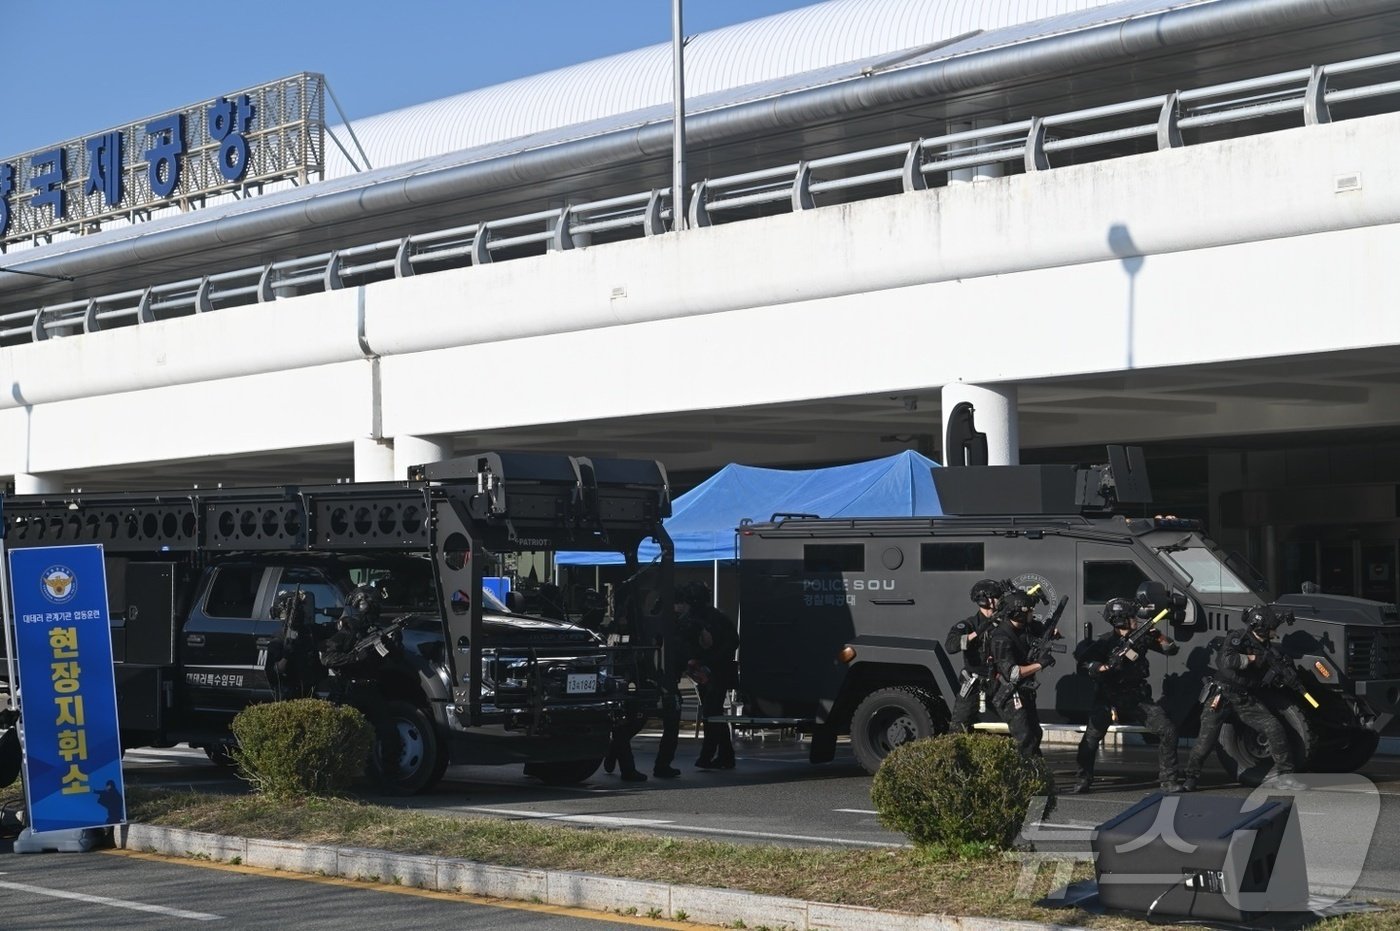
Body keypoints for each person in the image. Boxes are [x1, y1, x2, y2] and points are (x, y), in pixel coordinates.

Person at [1183, 603, 1304, 791]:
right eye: (1272, 628)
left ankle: (1285, 776)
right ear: (1262, 628)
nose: (1275, 632)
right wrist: (1252, 659)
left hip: (1244, 699)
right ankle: (1191, 777)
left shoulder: (1266, 647)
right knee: (1205, 741)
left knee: (1274, 728)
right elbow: (1226, 660)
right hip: (1222, 696)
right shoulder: (1238, 638)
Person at [1070, 597, 1182, 794]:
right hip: (1108, 697)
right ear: (1120, 621)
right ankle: (1083, 779)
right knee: (1091, 739)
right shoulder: (1105, 642)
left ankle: (1169, 779)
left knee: (1168, 730)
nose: (1135, 620)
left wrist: (1159, 636)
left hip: (1136, 698)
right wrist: (1103, 667)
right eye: (1131, 617)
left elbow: (1171, 649)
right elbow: (1083, 665)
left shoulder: (1142, 636)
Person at [676, 581, 739, 771]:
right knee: (713, 713)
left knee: (712, 713)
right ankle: (724, 755)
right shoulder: (714, 617)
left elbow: (732, 641)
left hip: (713, 670)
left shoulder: (702, 618)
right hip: (711, 669)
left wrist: (708, 661)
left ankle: (711, 755)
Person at [985, 588, 1054, 759]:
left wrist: (1050, 634)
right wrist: (1040, 664)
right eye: (1029, 610)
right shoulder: (1001, 638)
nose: (1032, 613)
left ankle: (1037, 772)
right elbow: (1013, 673)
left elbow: (1038, 633)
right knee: (1025, 738)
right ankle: (1025, 773)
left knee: (1035, 734)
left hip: (1024, 691)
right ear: (1018, 613)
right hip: (1010, 693)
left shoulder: (1024, 629)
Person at [944, 579, 1005, 733]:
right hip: (974, 683)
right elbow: (951, 646)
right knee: (958, 728)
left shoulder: (1004, 623)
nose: (1000, 600)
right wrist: (976, 634)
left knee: (1018, 724)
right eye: (997, 597)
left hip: (999, 681)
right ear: (984, 600)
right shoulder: (968, 625)